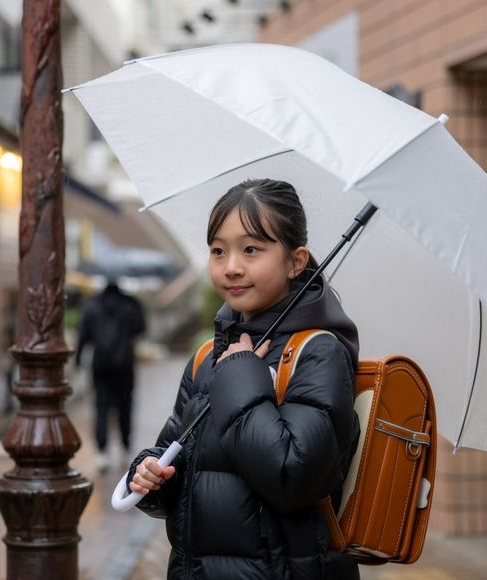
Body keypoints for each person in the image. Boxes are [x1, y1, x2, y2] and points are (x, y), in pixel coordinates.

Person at [126, 179, 361, 579]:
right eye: (218, 250)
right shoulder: (207, 356)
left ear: (295, 261)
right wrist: (151, 474)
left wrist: (240, 374)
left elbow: (293, 476)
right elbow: (176, 456)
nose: (231, 266)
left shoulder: (319, 352)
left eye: (251, 249)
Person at [76, 278, 146, 472]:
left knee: (101, 407)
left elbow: (83, 335)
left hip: (100, 366)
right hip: (125, 365)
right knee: (125, 406)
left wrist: (78, 359)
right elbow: (141, 329)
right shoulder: (131, 304)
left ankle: (102, 453)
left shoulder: (92, 305)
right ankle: (125, 447)